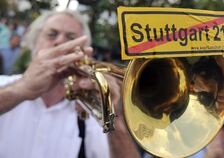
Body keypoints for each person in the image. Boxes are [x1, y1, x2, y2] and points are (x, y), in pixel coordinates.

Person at [0, 10, 140, 158]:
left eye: (71, 38)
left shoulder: (90, 110)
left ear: (84, 53)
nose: (60, 41)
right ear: (33, 42)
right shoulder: (4, 84)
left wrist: (115, 120)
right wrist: (21, 89)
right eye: (52, 34)